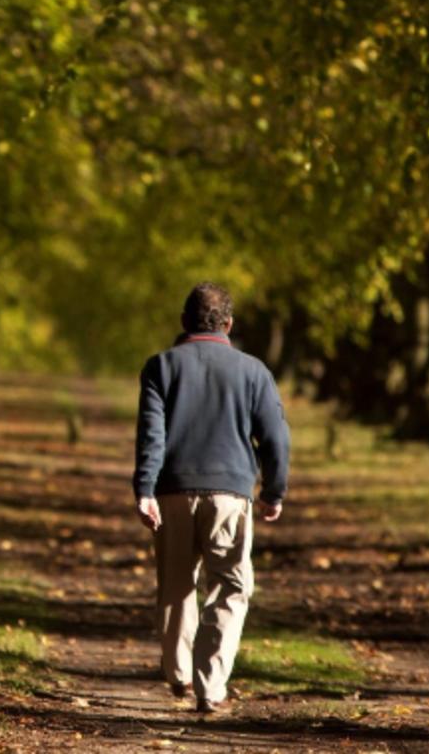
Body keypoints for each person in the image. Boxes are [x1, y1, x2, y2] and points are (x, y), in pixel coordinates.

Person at [132, 282, 290, 714]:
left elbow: (152, 434)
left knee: (176, 586)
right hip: (231, 494)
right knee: (230, 587)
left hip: (173, 492)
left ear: (184, 322)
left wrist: (145, 489)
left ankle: (179, 673)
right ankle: (211, 683)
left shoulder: (160, 367)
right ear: (230, 325)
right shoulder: (253, 371)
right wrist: (273, 491)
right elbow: (275, 436)